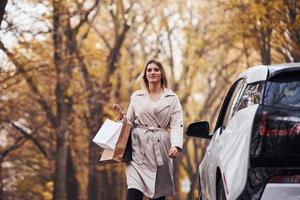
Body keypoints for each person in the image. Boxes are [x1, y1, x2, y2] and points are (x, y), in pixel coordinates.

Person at [112, 59, 184, 200]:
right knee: (133, 191)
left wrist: (176, 145)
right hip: (137, 150)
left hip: (160, 149)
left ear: (162, 73)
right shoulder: (137, 96)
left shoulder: (172, 98)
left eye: (156, 69)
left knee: (158, 194)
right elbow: (130, 123)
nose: (152, 72)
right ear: (145, 74)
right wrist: (122, 116)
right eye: (149, 70)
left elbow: (177, 124)